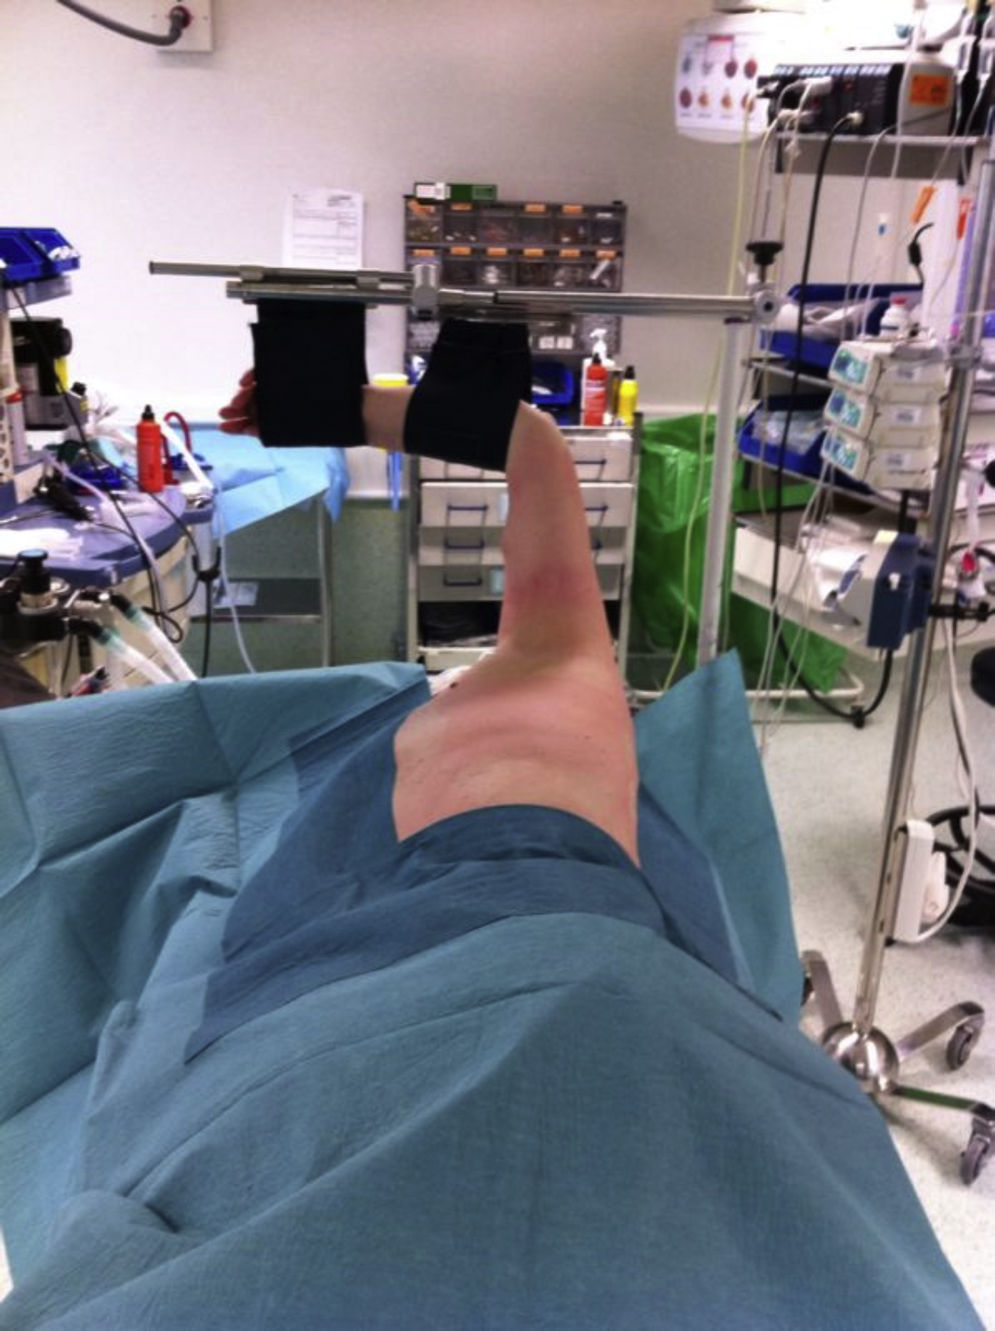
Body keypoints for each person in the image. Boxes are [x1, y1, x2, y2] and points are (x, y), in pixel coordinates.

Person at [220, 363, 640, 865]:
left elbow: (526, 436)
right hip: (553, 876)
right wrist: (330, 408)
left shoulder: (559, 662)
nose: (450, 680)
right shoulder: (565, 664)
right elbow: (527, 436)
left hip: (477, 876)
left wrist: (328, 408)